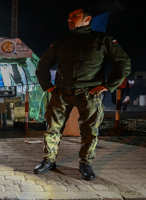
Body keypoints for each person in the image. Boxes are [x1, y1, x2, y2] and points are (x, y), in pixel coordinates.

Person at [34, 7, 131, 180]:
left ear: (87, 19)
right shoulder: (61, 41)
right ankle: (49, 161)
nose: (69, 19)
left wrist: (109, 86)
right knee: (52, 129)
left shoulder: (102, 40)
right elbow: (42, 66)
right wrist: (48, 87)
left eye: (74, 16)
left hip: (89, 94)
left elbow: (123, 63)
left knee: (89, 131)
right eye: (69, 16)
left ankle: (85, 164)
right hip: (61, 93)